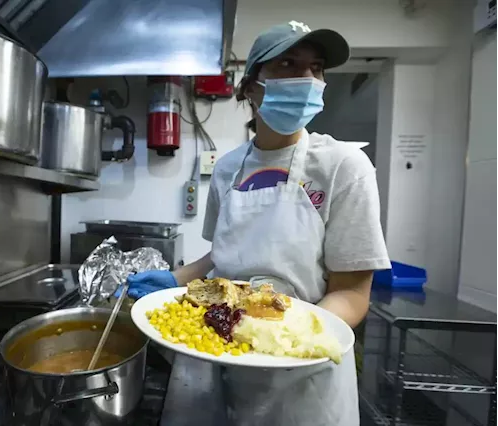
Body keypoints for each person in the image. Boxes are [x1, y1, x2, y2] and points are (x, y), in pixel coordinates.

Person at [125, 20, 390, 425]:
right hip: (219, 357)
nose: (306, 78)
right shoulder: (230, 167)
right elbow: (226, 253)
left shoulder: (344, 167)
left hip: (304, 376)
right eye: (287, 63)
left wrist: (282, 337)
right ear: (250, 86)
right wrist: (177, 278)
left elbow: (353, 293)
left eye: (315, 67)